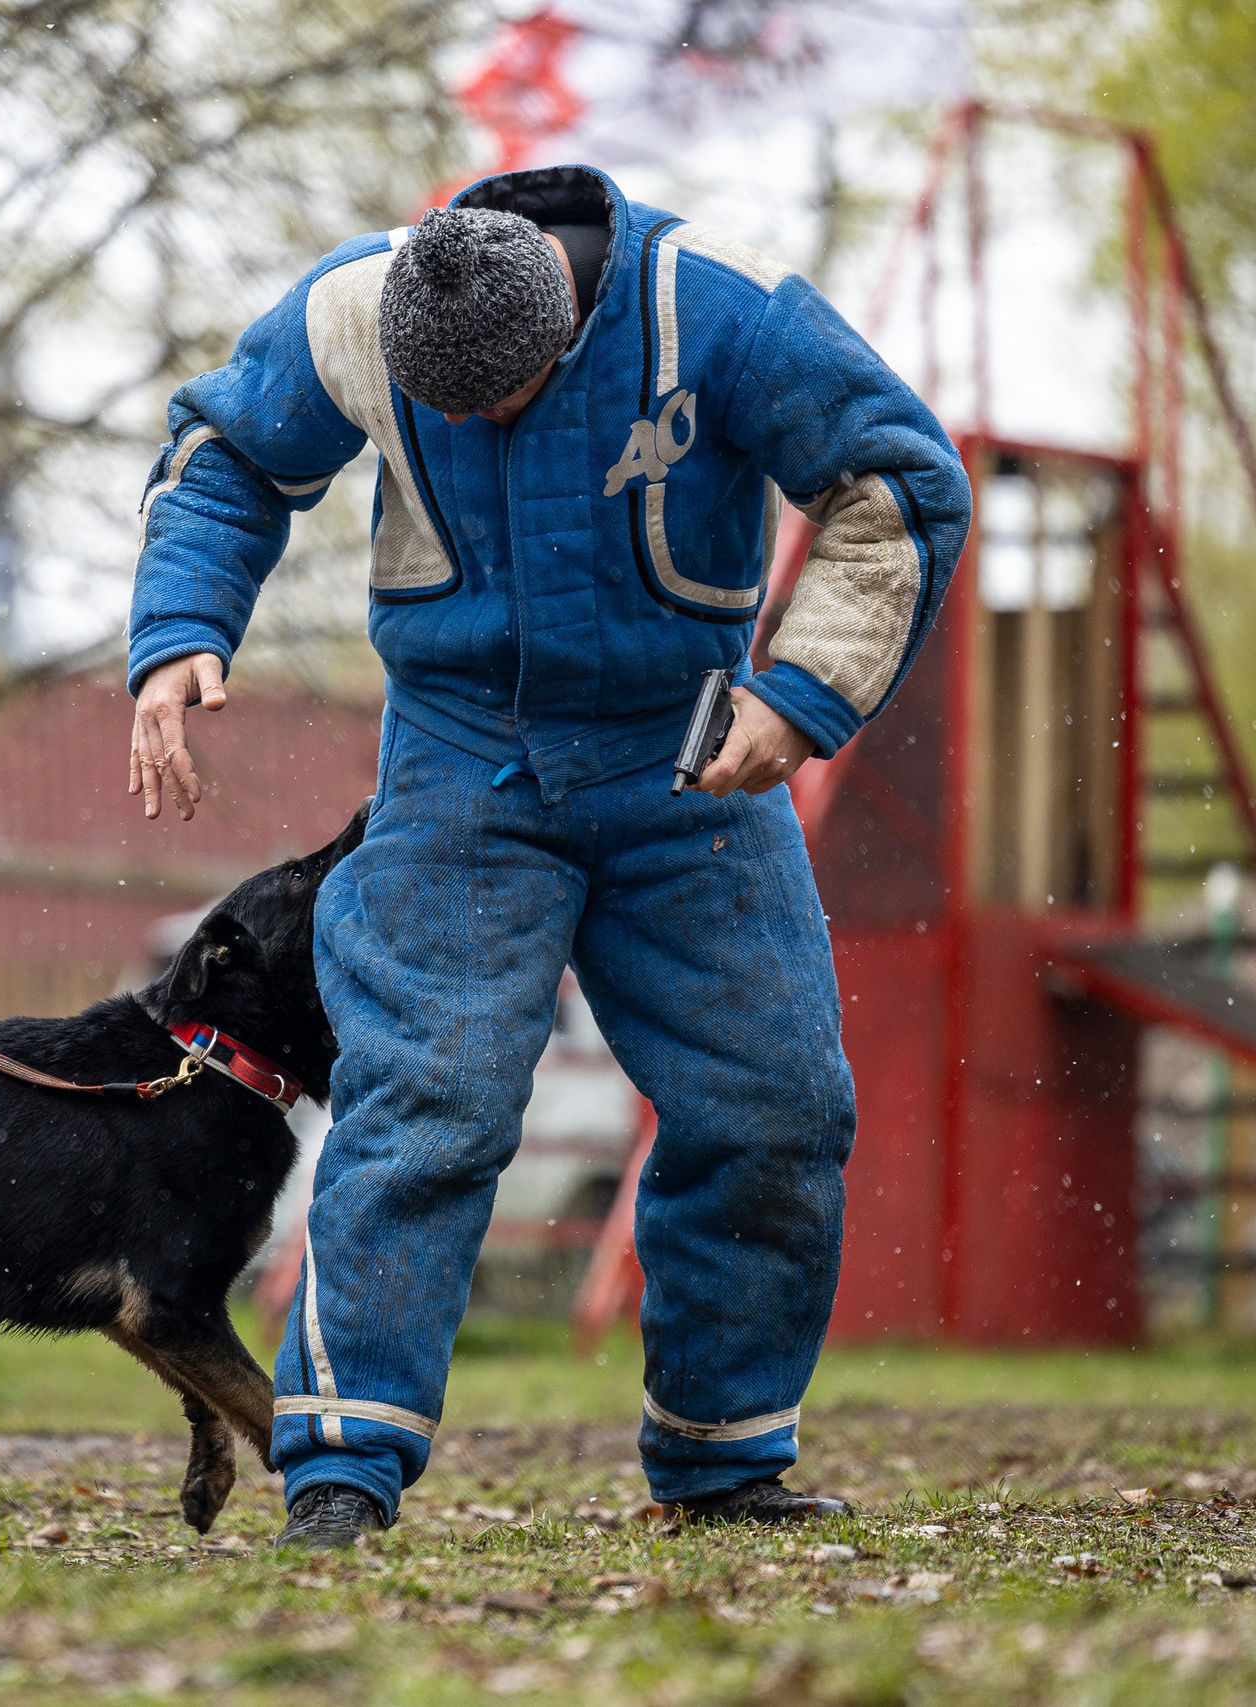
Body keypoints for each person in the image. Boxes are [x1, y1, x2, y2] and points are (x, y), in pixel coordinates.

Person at [124, 165, 970, 1548]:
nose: (459, 426)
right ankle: (341, 1467)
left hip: (688, 755)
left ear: (569, 333)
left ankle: (725, 1456)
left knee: (773, 1104)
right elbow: (226, 456)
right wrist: (178, 637)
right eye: (435, 405)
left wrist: (802, 694)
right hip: (461, 758)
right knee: (426, 1094)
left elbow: (898, 487)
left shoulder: (726, 315)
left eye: (489, 404)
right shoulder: (356, 306)